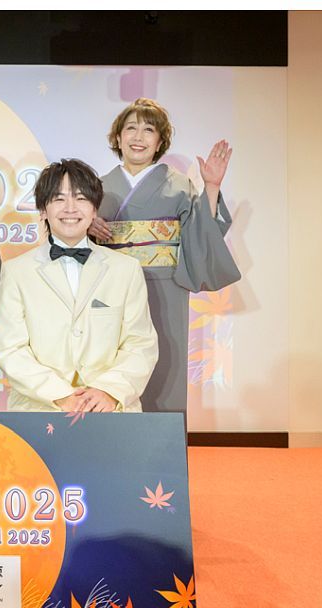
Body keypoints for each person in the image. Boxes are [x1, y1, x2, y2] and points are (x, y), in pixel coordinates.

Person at [88, 97, 240, 415]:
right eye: (131, 128)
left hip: (164, 287)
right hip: (110, 288)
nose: (138, 137)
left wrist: (211, 187)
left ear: (160, 142)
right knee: (110, 362)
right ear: (118, 138)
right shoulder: (96, 187)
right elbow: (68, 234)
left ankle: (162, 441)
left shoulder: (179, 186)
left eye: (148, 130)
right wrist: (87, 226)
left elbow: (203, 235)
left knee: (165, 362)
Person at [0, 159, 158, 413]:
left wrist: (108, 391)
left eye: (81, 198)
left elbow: (141, 344)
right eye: (59, 199)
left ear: (94, 210)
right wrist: (60, 396)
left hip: (109, 409)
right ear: (43, 210)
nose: (70, 208)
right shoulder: (16, 272)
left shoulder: (126, 270)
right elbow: (10, 349)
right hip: (41, 409)